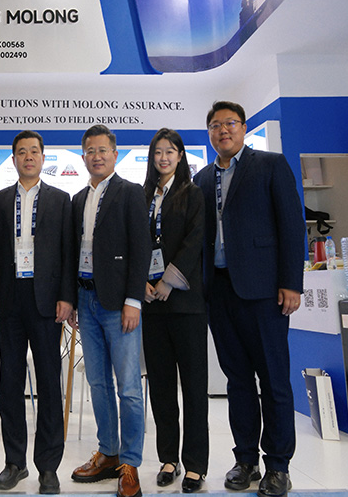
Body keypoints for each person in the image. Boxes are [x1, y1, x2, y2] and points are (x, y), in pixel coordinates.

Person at [193, 101, 305, 497]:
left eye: (230, 123)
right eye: (215, 125)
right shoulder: (202, 178)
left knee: (274, 380)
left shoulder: (270, 165)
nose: (222, 130)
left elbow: (292, 226)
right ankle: (245, 461)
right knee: (238, 381)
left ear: (243, 128)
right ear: (209, 133)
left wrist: (291, 282)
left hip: (264, 292)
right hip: (220, 291)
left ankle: (278, 466)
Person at [0, 130, 75, 494]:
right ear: (14, 159)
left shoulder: (61, 200)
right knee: (10, 384)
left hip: (47, 301)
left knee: (49, 384)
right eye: (22, 152)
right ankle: (14, 462)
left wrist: (67, 297)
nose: (28, 157)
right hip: (9, 299)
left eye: (34, 151)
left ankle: (48, 467)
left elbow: (68, 253)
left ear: (43, 157)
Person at [68, 124, 150, 497]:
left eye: (103, 150)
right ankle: (108, 452)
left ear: (114, 155)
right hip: (85, 300)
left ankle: (130, 463)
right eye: (90, 150)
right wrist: (71, 299)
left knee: (129, 387)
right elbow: (72, 253)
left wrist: (134, 300)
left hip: (119, 305)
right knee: (98, 383)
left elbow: (141, 248)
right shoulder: (77, 199)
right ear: (83, 156)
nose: (97, 156)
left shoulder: (130, 193)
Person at [141, 128, 208, 493]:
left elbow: (195, 240)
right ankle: (169, 458)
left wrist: (169, 280)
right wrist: (141, 281)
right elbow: (136, 242)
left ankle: (195, 464)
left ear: (180, 156)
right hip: (152, 305)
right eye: (158, 152)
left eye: (170, 151)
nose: (163, 157)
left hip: (186, 305)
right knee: (162, 387)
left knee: (194, 388)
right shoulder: (143, 196)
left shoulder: (192, 193)